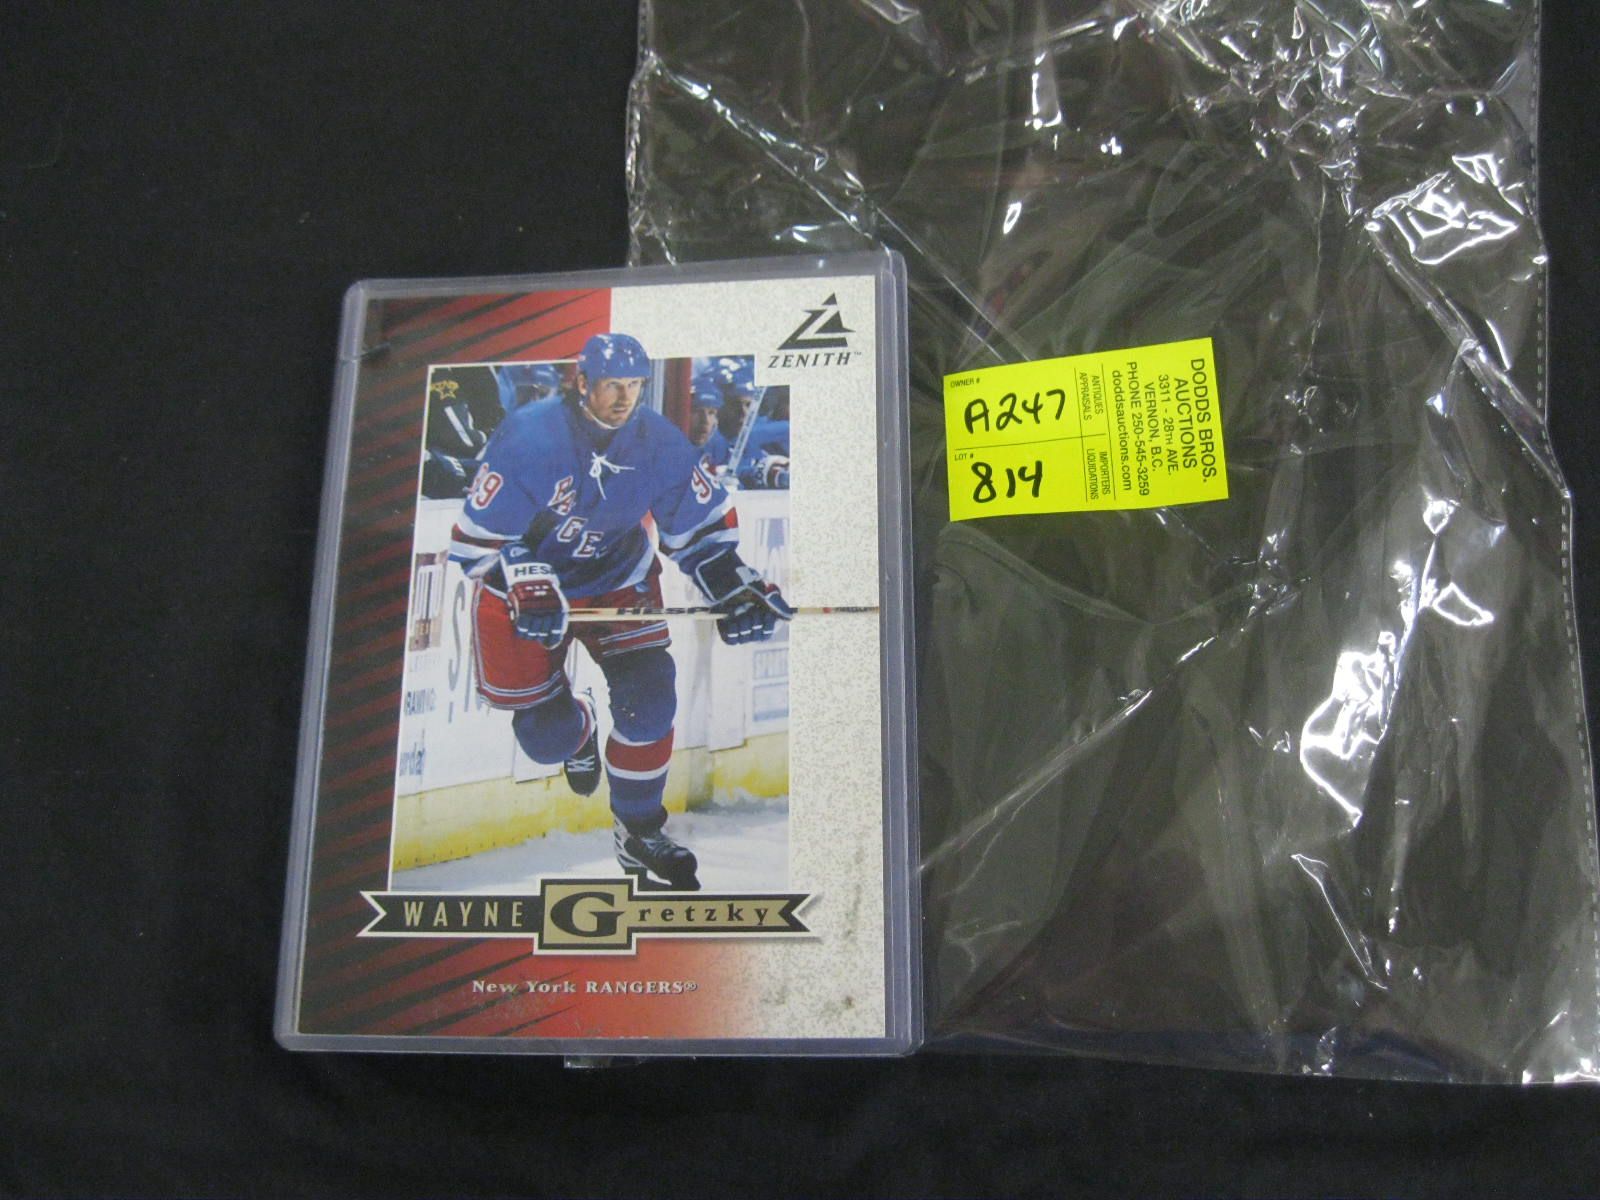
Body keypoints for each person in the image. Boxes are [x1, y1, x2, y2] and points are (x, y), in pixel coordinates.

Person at [448, 333, 792, 889]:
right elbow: (473, 543)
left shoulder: (658, 441)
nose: (624, 397)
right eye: (613, 385)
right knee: (546, 739)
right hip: (523, 593)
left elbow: (698, 530)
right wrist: (521, 573)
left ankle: (638, 831)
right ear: (582, 382)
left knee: (650, 701)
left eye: (634, 385)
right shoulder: (531, 436)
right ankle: (579, 725)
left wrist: (733, 584)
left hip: (617, 580)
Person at [687, 375, 732, 471]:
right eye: (697, 412)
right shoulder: (668, 446)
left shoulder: (719, 446)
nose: (705, 421)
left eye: (711, 413)